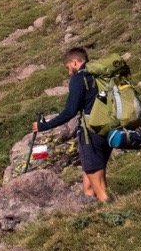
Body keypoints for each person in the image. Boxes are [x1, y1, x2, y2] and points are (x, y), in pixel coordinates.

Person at [34, 46, 109, 203]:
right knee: (90, 178)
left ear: (74, 62)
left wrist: (44, 126)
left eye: (68, 67)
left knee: (96, 178)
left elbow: (70, 111)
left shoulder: (79, 78)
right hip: (108, 128)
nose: (69, 72)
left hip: (91, 131)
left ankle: (109, 208)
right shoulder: (100, 75)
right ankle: (91, 206)